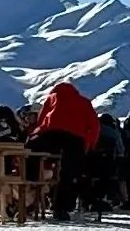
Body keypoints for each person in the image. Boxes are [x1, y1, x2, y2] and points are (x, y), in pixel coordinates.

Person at [27, 76, 101, 221]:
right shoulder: (84, 102)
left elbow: (42, 121)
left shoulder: (52, 98)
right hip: (75, 138)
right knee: (69, 174)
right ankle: (61, 208)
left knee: (33, 154)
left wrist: (34, 137)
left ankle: (32, 180)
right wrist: (89, 145)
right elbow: (94, 126)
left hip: (51, 135)